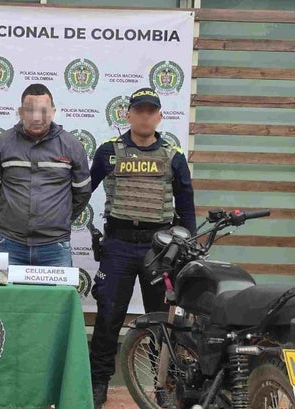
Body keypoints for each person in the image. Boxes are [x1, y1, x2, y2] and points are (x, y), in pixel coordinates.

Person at [88, 87, 197, 408]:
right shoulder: (108, 152)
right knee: (108, 317)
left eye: (151, 111)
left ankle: (165, 385)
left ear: (159, 117)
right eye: (139, 111)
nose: (145, 117)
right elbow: (82, 190)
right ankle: (98, 382)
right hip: (118, 245)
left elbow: (186, 206)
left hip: (159, 249)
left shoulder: (173, 157)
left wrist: (188, 246)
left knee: (162, 322)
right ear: (128, 115)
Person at [0, 83, 91, 266]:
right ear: (20, 112)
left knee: (58, 289)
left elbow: (82, 192)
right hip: (9, 243)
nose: (36, 117)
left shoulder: (72, 146)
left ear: (53, 112)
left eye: (43, 111)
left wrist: (59, 218)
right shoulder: (2, 144)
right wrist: (12, 216)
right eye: (30, 110)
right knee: (5, 288)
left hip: (55, 246)